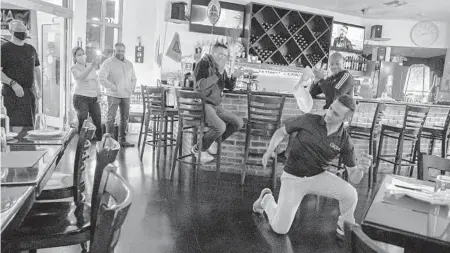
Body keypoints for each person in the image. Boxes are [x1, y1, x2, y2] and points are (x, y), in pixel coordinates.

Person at [252, 95, 372, 237]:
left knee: (350, 194)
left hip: (317, 177)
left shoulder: (345, 141)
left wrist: (361, 169)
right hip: (293, 177)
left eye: (335, 113)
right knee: (280, 229)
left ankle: (345, 224)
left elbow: (355, 177)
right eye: (331, 108)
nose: (329, 113)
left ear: (345, 119)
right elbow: (281, 132)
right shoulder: (309, 120)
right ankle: (266, 199)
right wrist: (269, 150)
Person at [278, 52, 355, 162]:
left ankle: (291, 156)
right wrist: (316, 80)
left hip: (338, 118)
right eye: (332, 64)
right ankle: (291, 156)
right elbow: (313, 93)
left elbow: (334, 96)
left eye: (337, 64)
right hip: (329, 113)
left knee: (300, 123)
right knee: (298, 123)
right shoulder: (332, 77)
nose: (334, 67)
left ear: (344, 64)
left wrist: (322, 80)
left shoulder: (346, 76)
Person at [193, 42, 244, 163]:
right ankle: (198, 149)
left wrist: (233, 77)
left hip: (216, 106)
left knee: (238, 122)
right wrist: (218, 73)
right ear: (213, 52)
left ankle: (214, 142)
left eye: (225, 55)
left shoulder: (220, 68)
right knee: (220, 126)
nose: (223, 57)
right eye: (221, 53)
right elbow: (201, 86)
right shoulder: (203, 64)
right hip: (204, 104)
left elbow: (229, 86)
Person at [1, 20, 41, 127]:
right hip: (12, 94)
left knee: (30, 126)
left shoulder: (31, 49)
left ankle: (29, 144)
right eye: (19, 30)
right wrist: (12, 83)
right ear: (11, 31)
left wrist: (39, 88)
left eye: (24, 30)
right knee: (15, 128)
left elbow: (37, 70)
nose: (22, 32)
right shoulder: (4, 49)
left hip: (29, 94)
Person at [98, 42, 137, 147]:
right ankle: (109, 141)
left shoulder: (129, 64)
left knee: (124, 118)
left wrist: (131, 89)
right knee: (111, 118)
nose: (121, 52)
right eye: (118, 50)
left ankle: (122, 140)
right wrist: (113, 87)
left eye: (122, 51)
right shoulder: (107, 63)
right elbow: (101, 78)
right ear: (114, 51)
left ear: (125, 51)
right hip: (113, 94)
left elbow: (134, 79)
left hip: (126, 95)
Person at [71, 47, 103, 140]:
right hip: (81, 97)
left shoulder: (89, 65)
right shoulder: (74, 68)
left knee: (98, 120)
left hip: (93, 97)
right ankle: (81, 147)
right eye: (79, 55)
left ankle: (100, 144)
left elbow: (96, 80)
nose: (82, 56)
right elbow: (82, 77)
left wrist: (99, 94)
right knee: (83, 122)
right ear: (75, 57)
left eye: (83, 54)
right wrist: (92, 67)